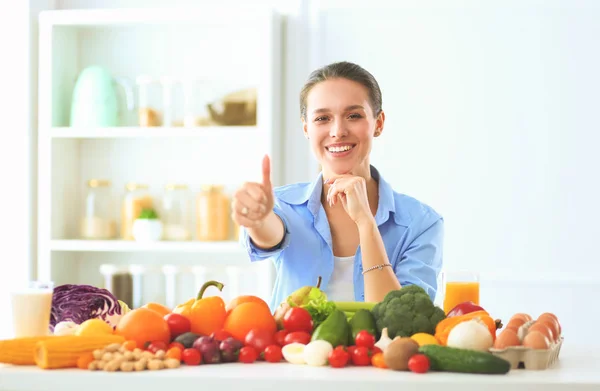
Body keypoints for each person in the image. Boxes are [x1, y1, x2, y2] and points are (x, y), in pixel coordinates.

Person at [232, 61, 444, 312]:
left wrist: (366, 223)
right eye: (322, 118)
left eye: (353, 116)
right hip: (293, 351)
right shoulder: (284, 205)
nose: (338, 131)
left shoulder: (422, 223)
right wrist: (257, 219)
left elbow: (401, 320)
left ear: (379, 123)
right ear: (306, 129)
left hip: (378, 352)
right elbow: (270, 235)